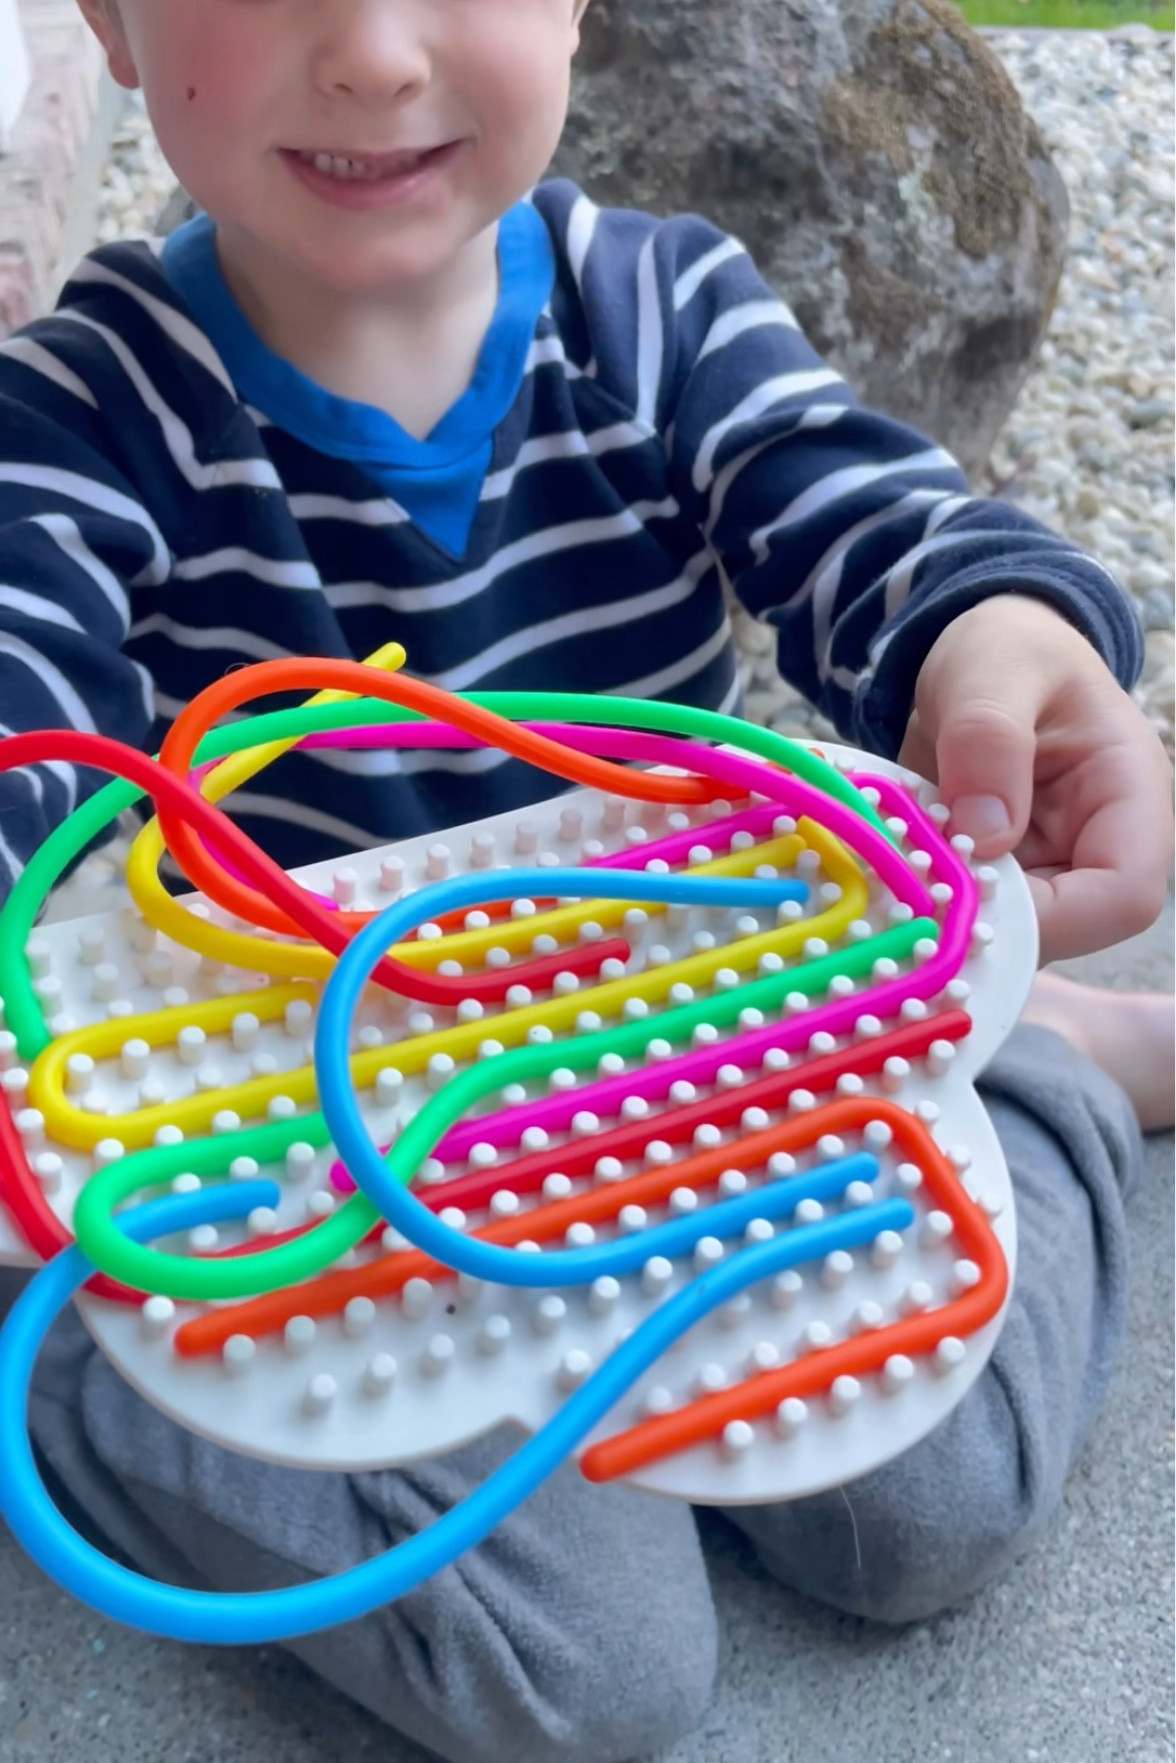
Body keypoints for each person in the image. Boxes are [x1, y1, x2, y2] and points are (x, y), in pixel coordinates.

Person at [0, 2, 1171, 1759]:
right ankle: (79, 1352)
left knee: (932, 1508)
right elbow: (27, 723)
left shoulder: (659, 307)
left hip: (694, 1044)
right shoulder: (83, 417)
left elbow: (866, 517)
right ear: (105, 12)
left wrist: (996, 633)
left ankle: (1051, 1064)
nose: (375, 56)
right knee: (587, 1682)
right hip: (320, 1135)